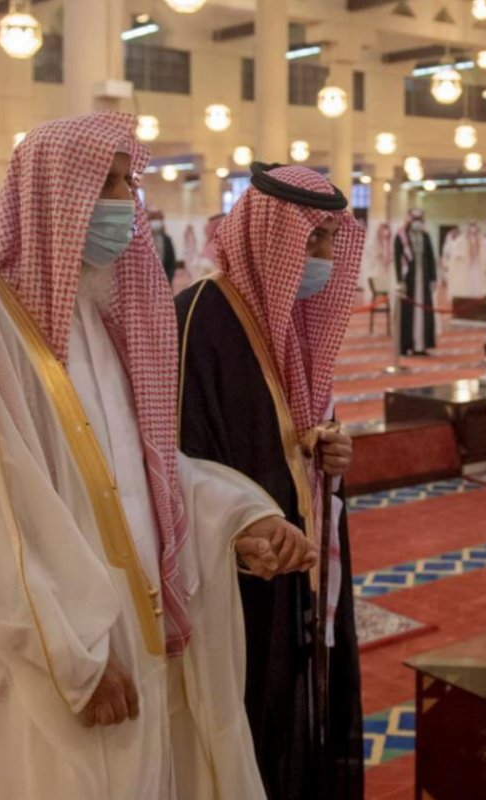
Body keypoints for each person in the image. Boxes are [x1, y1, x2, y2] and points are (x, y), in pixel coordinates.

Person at [0, 112, 316, 800]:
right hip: (48, 651)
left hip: (132, 632)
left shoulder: (99, 315)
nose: (125, 202)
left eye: (128, 183)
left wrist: (238, 520)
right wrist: (68, 657)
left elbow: (138, 477)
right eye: (105, 182)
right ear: (50, 194)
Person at [176, 163, 366, 799]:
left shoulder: (298, 321)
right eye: (312, 240)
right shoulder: (198, 317)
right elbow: (173, 460)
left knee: (297, 707)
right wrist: (238, 528)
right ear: (269, 236)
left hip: (299, 564)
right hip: (236, 575)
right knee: (246, 720)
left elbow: (305, 427)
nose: (324, 256)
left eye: (332, 241)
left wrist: (331, 454)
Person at [394, 208, 436, 355]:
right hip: (408, 282)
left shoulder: (425, 236)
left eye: (419, 220)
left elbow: (431, 258)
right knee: (407, 313)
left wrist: (433, 279)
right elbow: (397, 260)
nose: (417, 223)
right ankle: (406, 346)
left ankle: (421, 346)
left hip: (423, 281)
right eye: (415, 220)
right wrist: (400, 281)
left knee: (423, 312)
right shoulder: (401, 237)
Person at [148, 209, 177, 282]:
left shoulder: (167, 239)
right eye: (153, 219)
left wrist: (168, 279)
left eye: (158, 219)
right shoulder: (144, 240)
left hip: (165, 281)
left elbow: (171, 262)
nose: (156, 222)